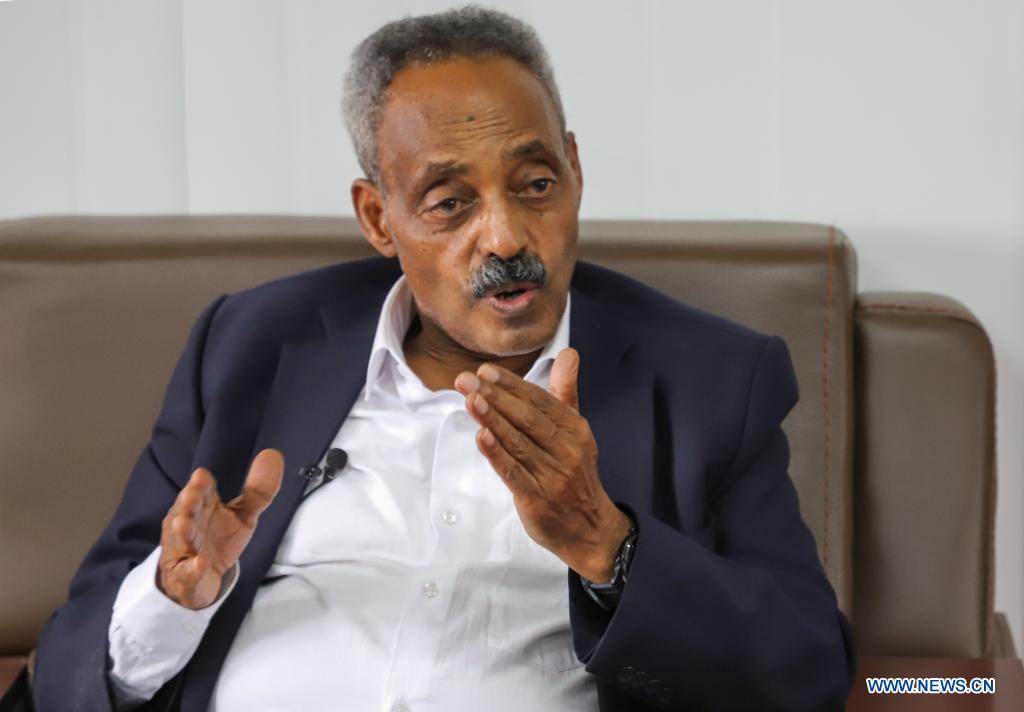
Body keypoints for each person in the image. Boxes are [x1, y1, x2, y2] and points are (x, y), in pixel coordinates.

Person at [32, 6, 854, 711]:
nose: (505, 238)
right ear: (377, 218)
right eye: (450, 202)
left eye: (535, 184)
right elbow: (70, 663)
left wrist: (610, 547)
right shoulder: (249, 345)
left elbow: (806, 670)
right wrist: (172, 600)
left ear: (575, 170)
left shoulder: (711, 380)